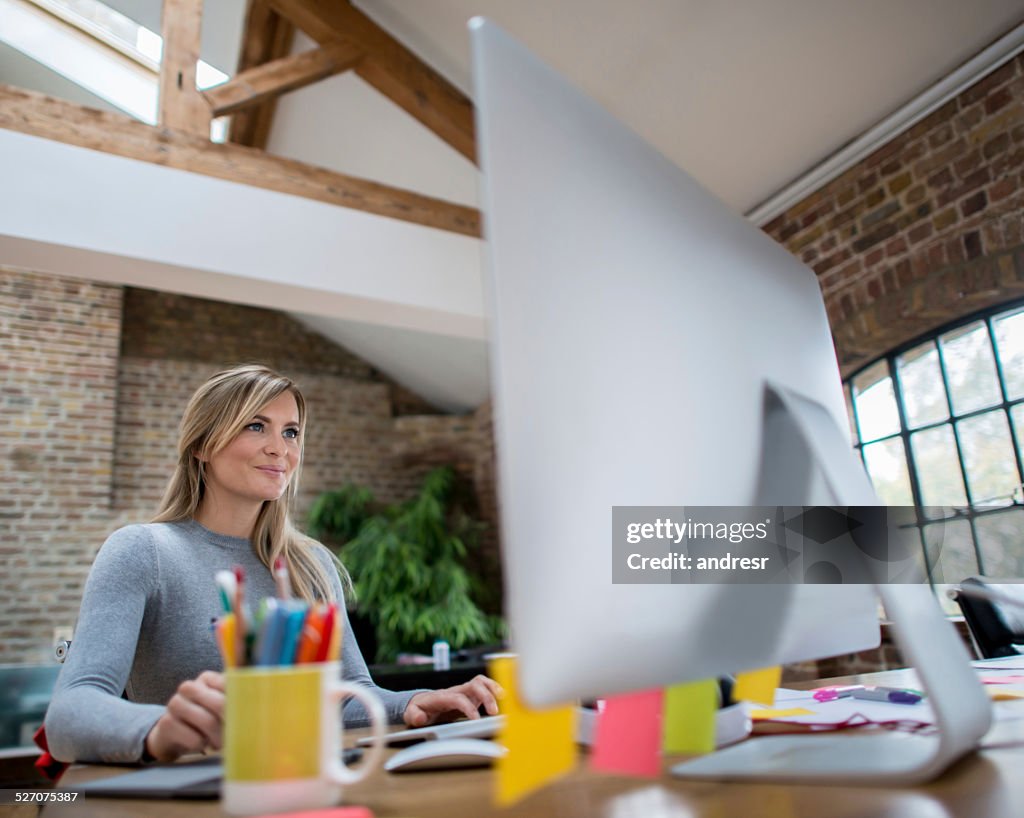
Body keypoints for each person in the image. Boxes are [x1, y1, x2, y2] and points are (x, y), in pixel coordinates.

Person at [44, 364, 501, 763]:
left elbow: (345, 698)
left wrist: (415, 702)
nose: (280, 448)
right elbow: (70, 713)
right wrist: (160, 730)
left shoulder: (313, 564)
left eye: (291, 431)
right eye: (255, 426)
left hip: (305, 784)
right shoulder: (142, 551)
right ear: (202, 444)